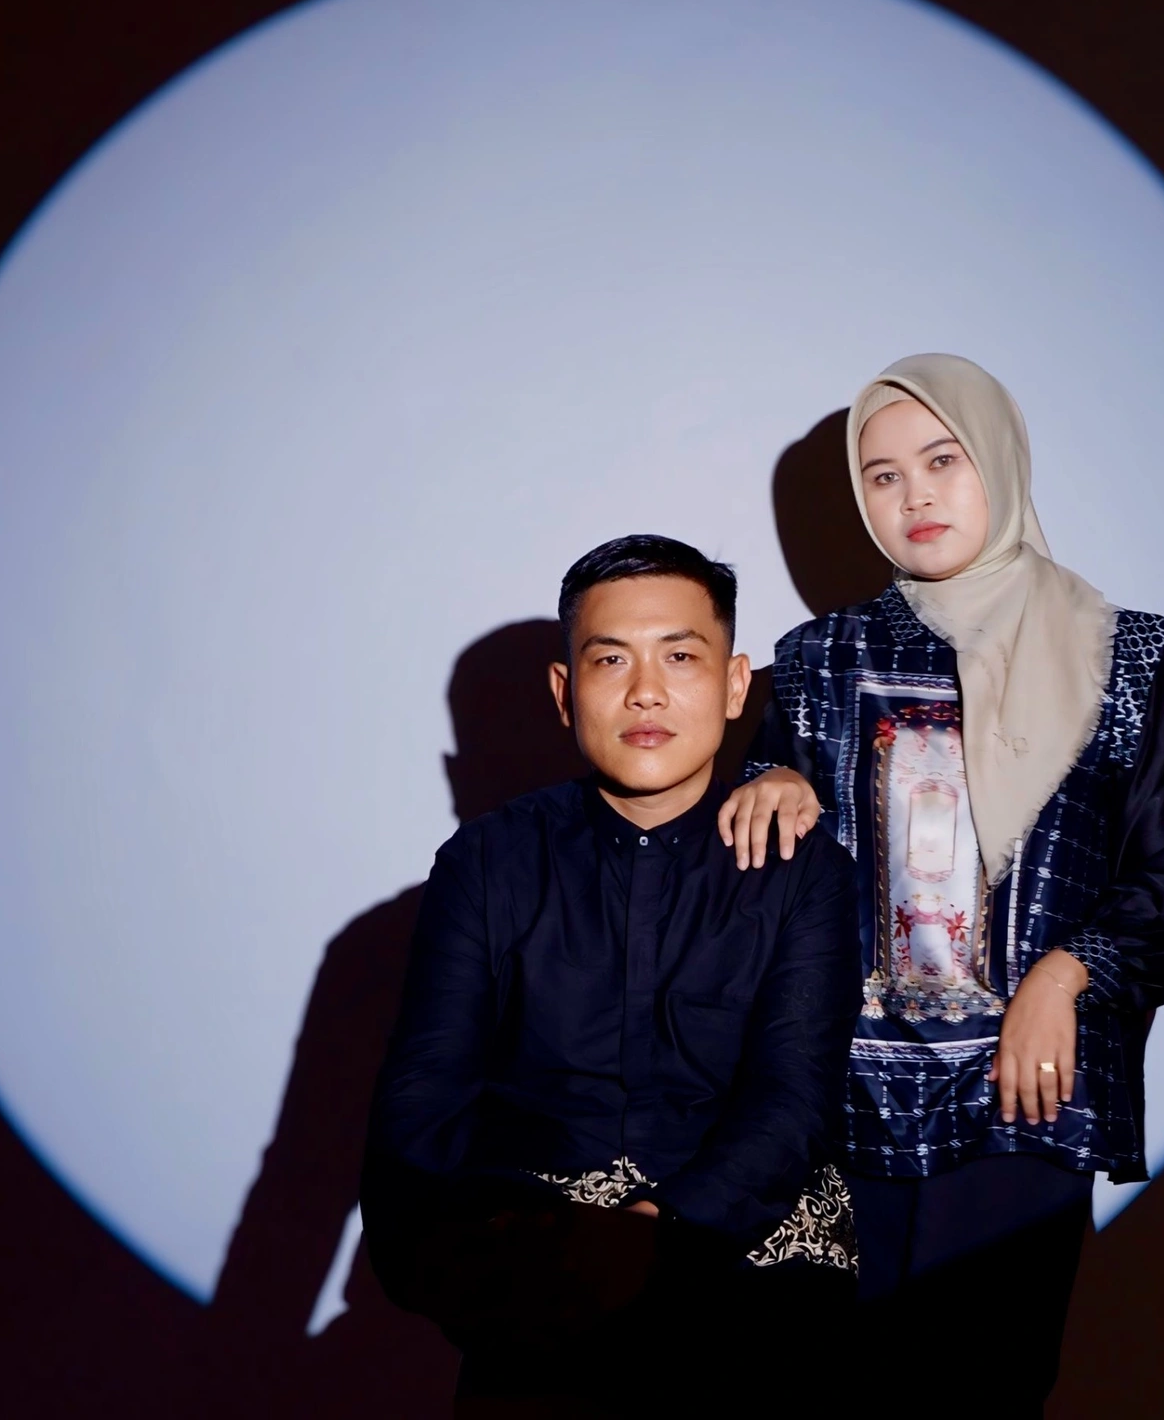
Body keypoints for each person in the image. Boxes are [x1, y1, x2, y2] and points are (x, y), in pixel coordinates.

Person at [720, 354, 1164, 1416]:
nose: (916, 495)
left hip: (1023, 1102)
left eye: (942, 460)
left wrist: (1067, 974)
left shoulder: (1121, 661)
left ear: (998, 458)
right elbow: (759, 877)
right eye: (883, 475)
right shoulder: (818, 664)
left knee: (978, 1391)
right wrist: (767, 782)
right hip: (841, 1106)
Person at [362, 535, 861, 1415]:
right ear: (565, 693)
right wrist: (459, 1265)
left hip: (751, 1262)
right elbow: (422, 1098)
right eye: (610, 659)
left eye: (680, 656)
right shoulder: (487, 861)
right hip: (539, 1267)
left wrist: (652, 1238)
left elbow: (793, 1102)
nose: (646, 692)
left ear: (734, 685)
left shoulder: (803, 866)